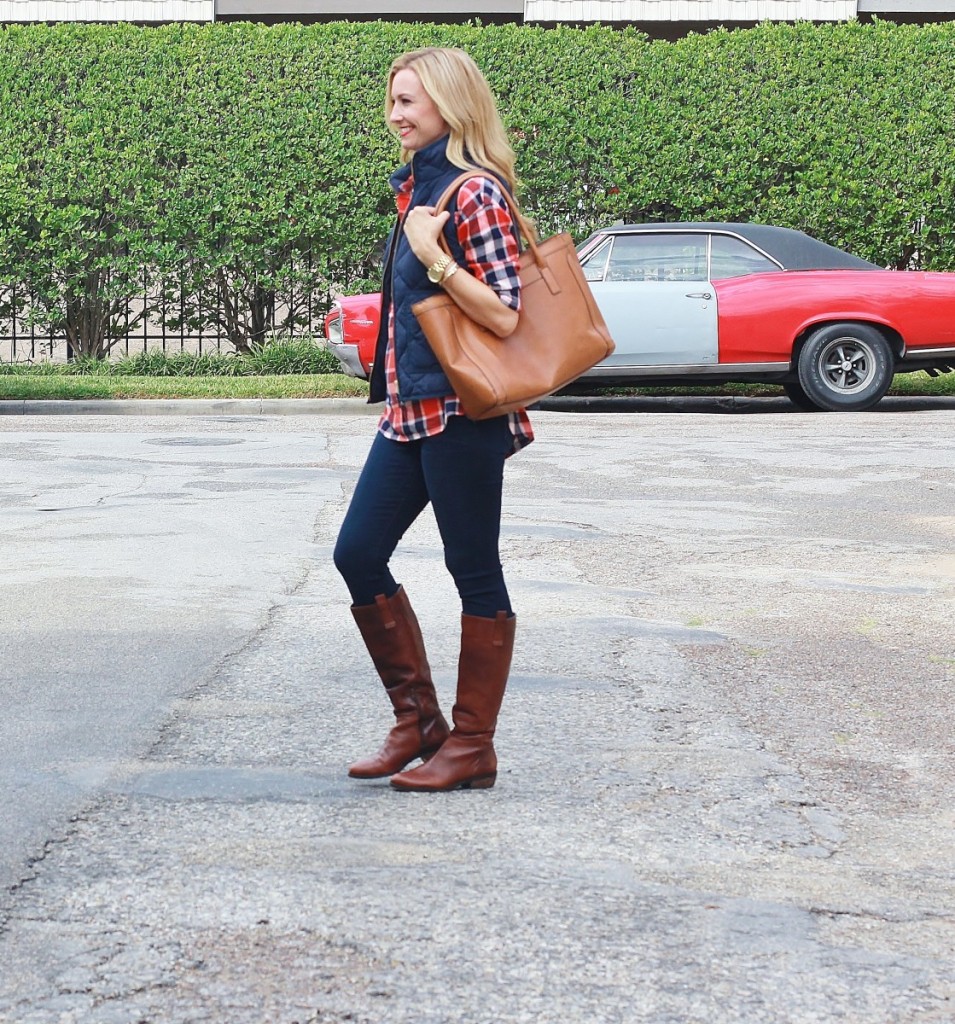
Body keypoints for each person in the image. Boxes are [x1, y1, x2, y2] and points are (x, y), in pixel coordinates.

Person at [333, 47, 533, 792]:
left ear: (450, 105)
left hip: (462, 412)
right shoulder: (415, 187)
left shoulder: (473, 194)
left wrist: (436, 258)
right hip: (409, 408)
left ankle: (472, 744)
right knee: (356, 553)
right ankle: (418, 721)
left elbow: (507, 314)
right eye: (392, 100)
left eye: (409, 101)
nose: (395, 114)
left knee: (472, 570)